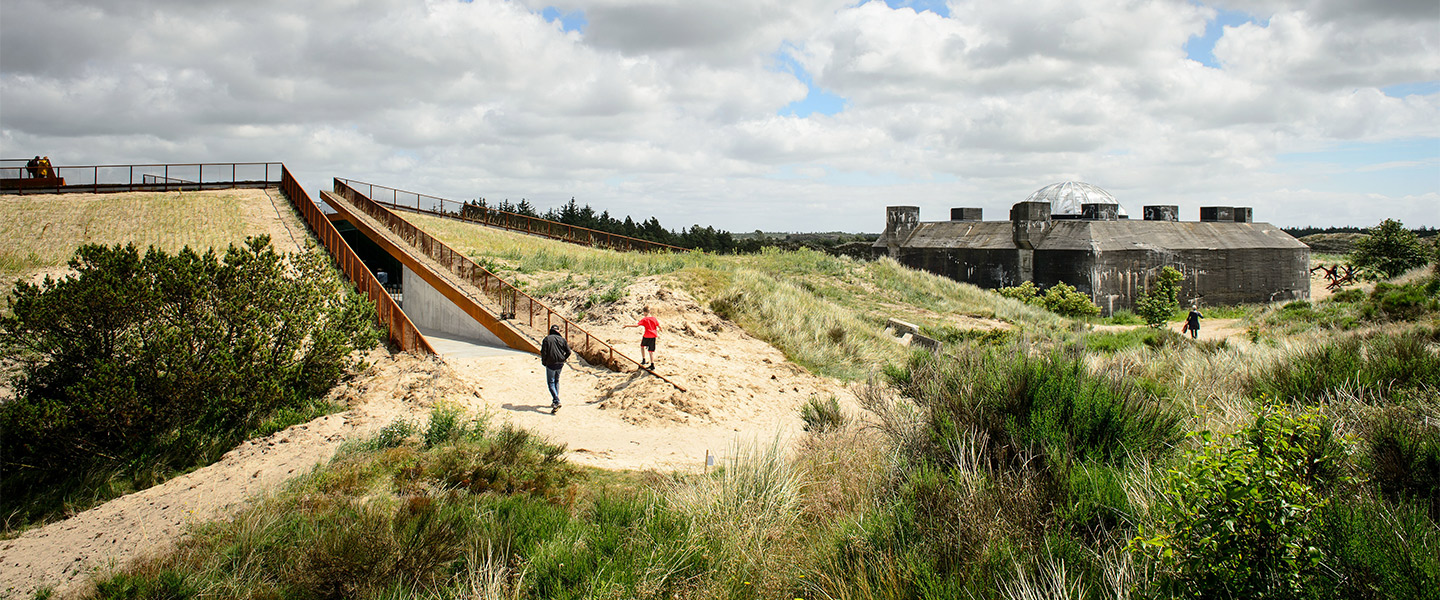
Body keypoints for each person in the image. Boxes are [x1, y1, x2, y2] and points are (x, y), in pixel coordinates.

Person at [540, 325, 571, 414]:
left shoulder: (547, 339)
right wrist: (564, 358)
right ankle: (555, 400)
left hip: (550, 363)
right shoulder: (562, 339)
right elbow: (569, 351)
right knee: (556, 381)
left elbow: (544, 352)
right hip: (560, 363)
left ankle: (556, 400)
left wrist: (544, 362)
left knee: (551, 382)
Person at [624, 305, 660, 370]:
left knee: (642, 346)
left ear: (645, 312)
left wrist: (627, 325)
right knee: (651, 351)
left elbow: (636, 325)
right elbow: (658, 325)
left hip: (647, 335)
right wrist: (661, 329)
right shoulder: (654, 318)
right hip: (653, 336)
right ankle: (652, 364)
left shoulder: (644, 319)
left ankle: (643, 359)